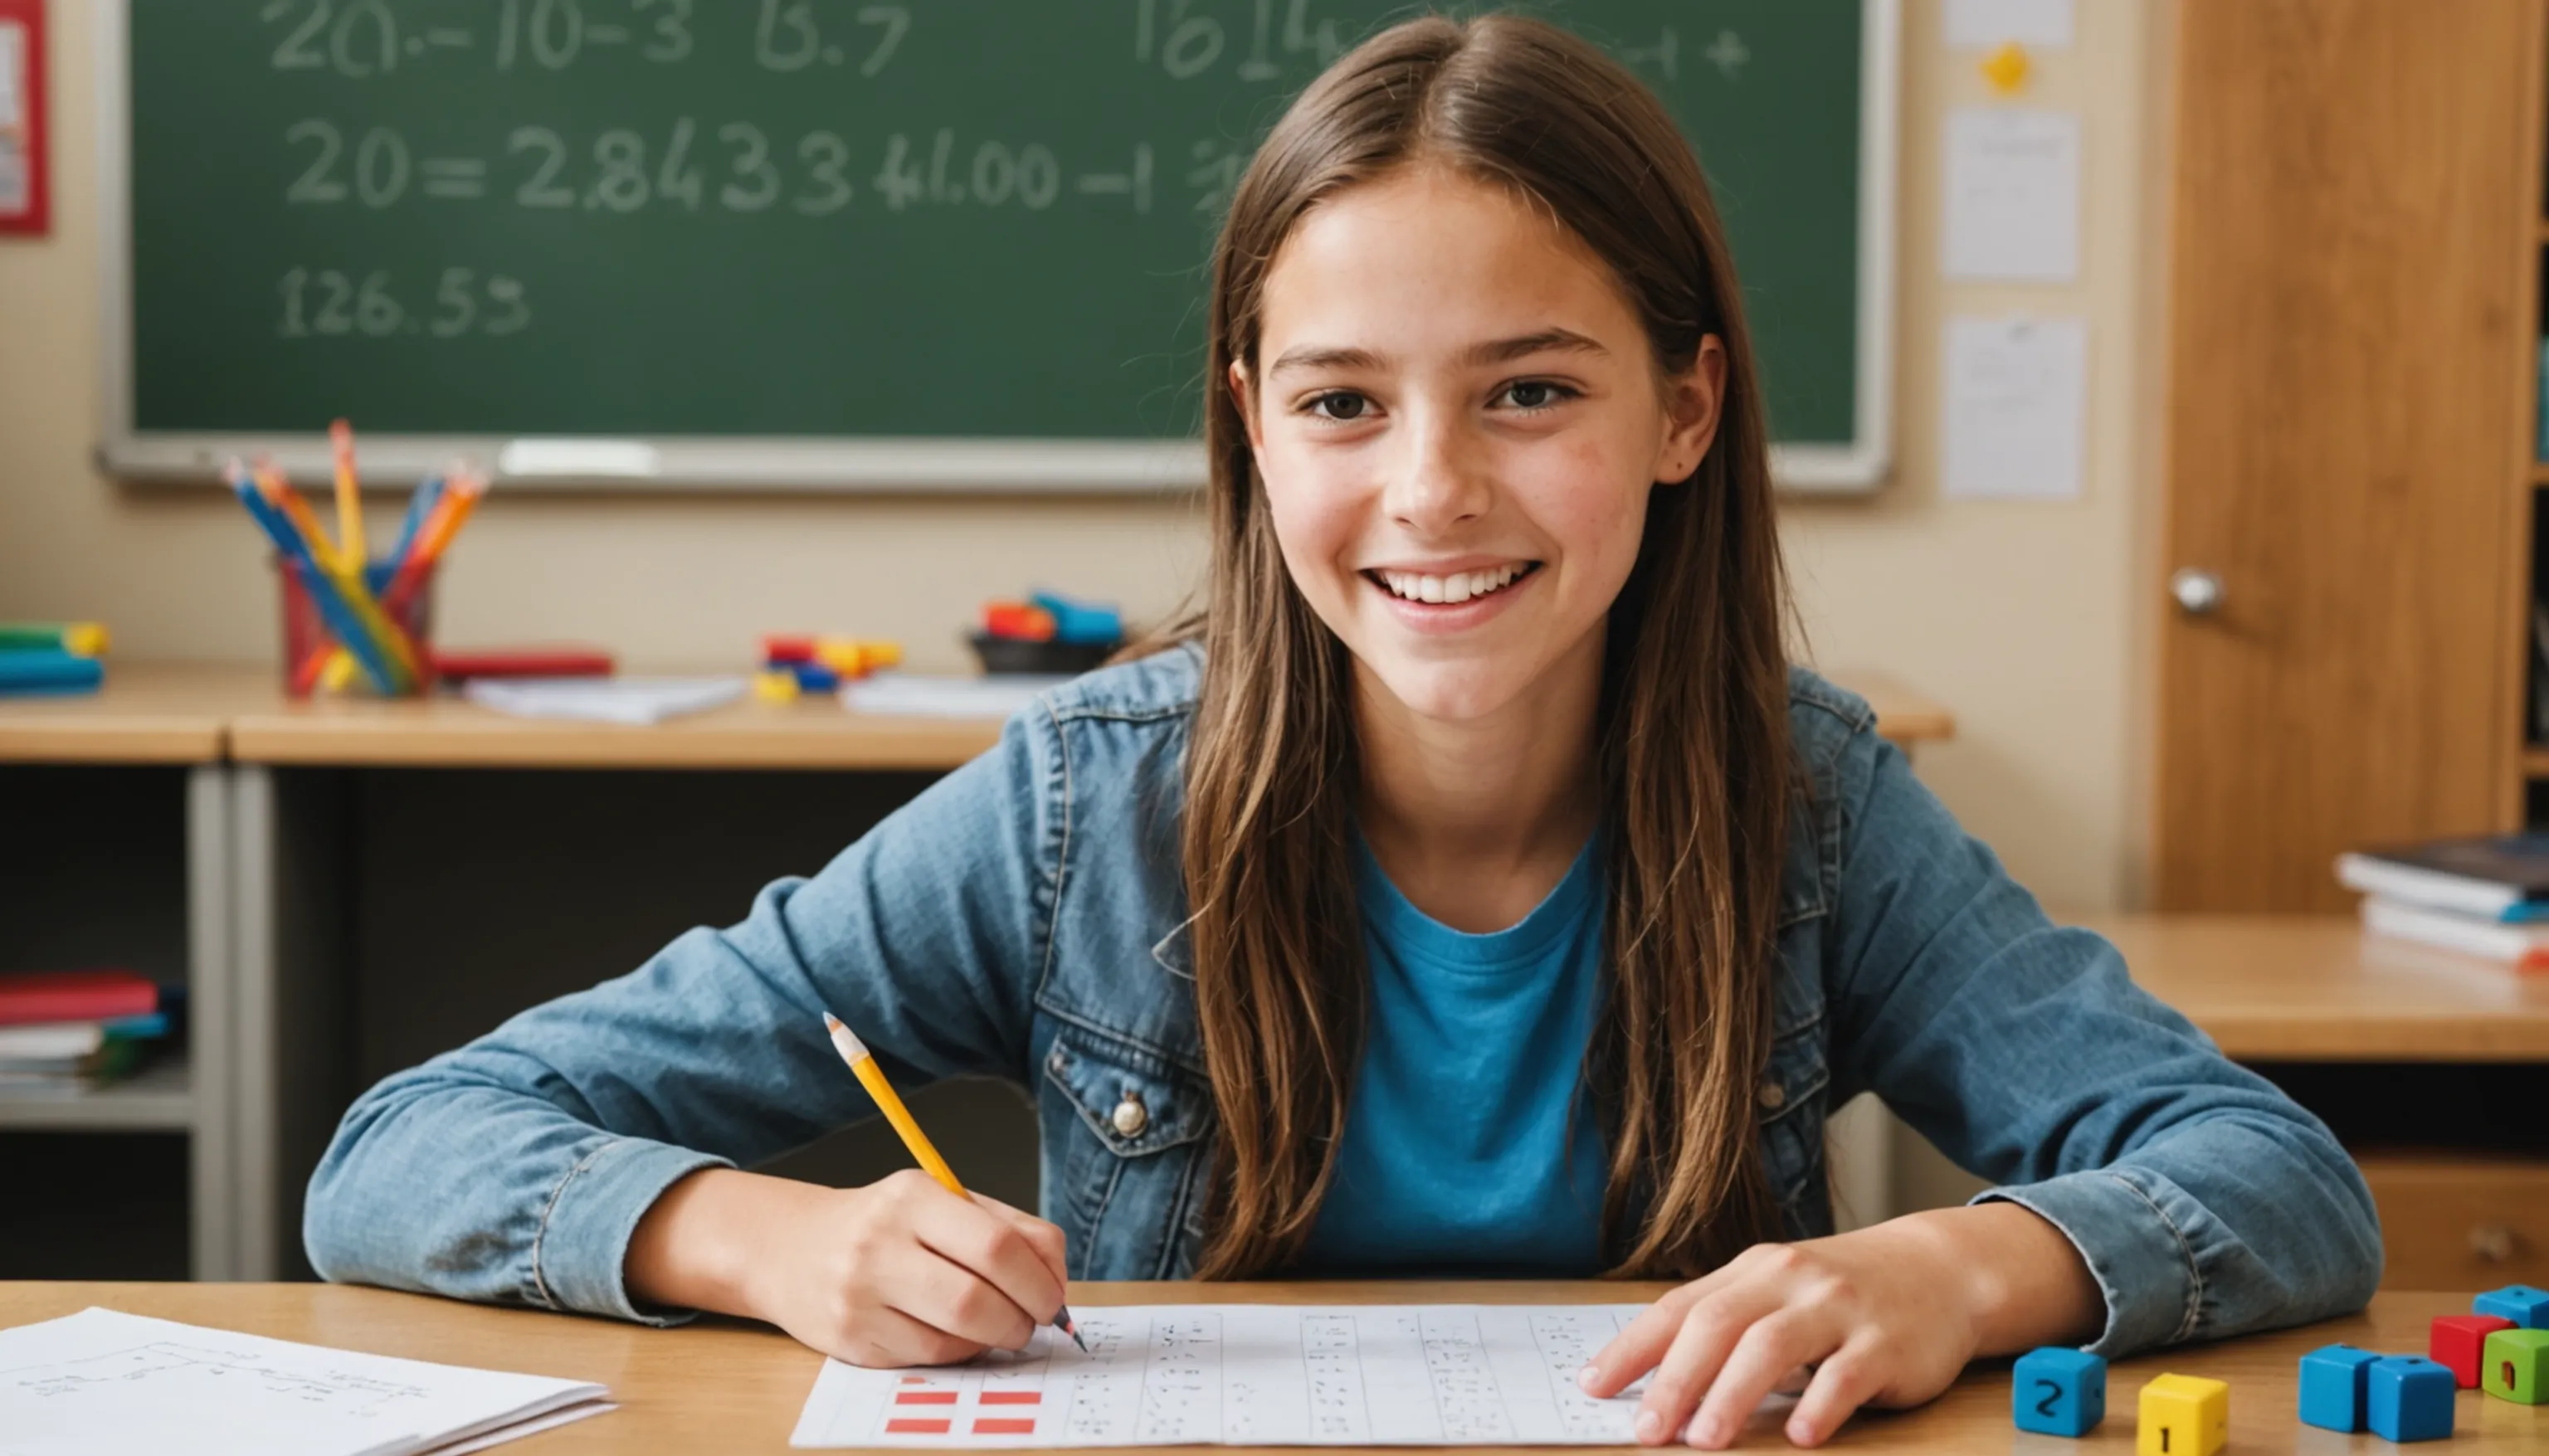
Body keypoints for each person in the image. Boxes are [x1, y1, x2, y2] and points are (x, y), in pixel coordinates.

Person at [305, 14, 2381, 1449]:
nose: (1432, 490)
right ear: (1252, 425)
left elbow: (2272, 1177)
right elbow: (402, 1156)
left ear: (1684, 411)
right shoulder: (1075, 812)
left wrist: (1965, 1264)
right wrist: (771, 1235)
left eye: (1531, 391)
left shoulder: (1813, 806)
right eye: (1342, 400)